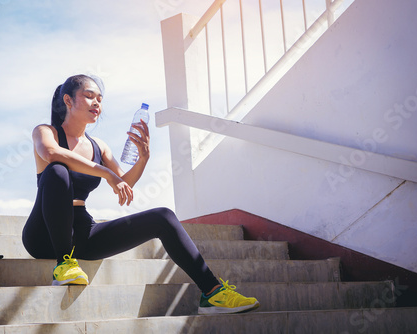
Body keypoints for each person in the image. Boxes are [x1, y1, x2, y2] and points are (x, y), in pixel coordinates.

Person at [21, 74, 259, 315]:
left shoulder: (98, 146)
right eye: (89, 96)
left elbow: (124, 184)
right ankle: (64, 264)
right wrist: (106, 172)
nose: (96, 104)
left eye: (100, 99)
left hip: (81, 234)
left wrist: (143, 158)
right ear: (68, 100)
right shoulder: (45, 132)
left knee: (163, 216)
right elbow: (51, 153)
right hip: (44, 235)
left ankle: (213, 293)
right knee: (58, 171)